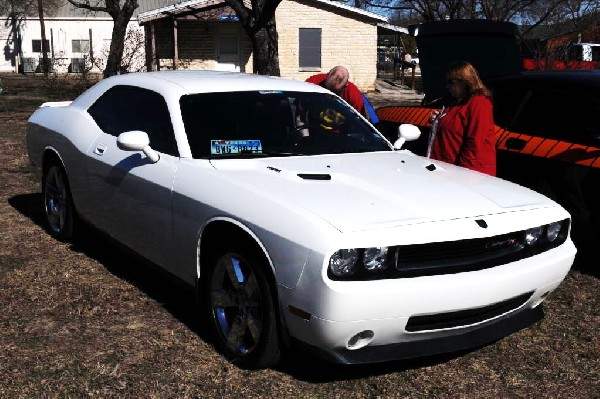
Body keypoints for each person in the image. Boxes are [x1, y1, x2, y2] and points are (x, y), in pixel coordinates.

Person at [428, 60, 496, 176]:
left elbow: (475, 142)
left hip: (469, 175)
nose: (447, 86)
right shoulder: (458, 102)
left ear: (464, 81)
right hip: (446, 170)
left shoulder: (479, 102)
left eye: (451, 82)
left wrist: (463, 174)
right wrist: (438, 119)